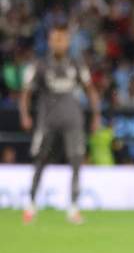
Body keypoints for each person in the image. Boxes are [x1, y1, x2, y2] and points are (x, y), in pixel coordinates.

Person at [19, 25, 101, 225]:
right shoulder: (40, 65)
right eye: (55, 39)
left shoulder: (76, 64)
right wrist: (25, 115)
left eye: (62, 39)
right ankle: (30, 205)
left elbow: (91, 90)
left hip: (73, 121)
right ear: (49, 41)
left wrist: (96, 115)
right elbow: (25, 93)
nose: (59, 43)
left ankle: (73, 208)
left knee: (76, 162)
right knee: (40, 161)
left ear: (68, 42)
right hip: (47, 121)